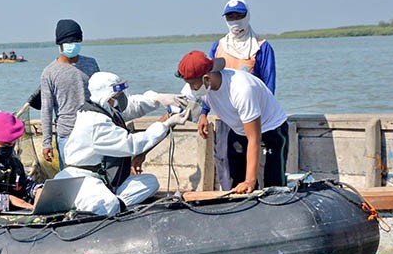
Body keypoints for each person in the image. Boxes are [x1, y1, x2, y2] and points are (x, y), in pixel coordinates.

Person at [54, 72, 188, 216]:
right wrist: (166, 124)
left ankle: (118, 205)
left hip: (102, 177)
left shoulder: (106, 110)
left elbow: (133, 106)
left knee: (150, 182)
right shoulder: (95, 121)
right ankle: (110, 208)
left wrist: (158, 98)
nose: (120, 99)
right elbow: (131, 144)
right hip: (81, 180)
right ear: (107, 96)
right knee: (107, 204)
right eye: (116, 96)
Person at [177, 51, 288, 194]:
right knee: (234, 181)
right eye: (188, 84)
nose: (191, 89)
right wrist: (144, 151)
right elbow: (172, 112)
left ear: (206, 78)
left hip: (271, 127)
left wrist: (250, 181)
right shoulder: (196, 86)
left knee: (274, 184)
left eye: (192, 84)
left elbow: (254, 138)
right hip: (238, 129)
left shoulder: (241, 89)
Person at [202, 0, 276, 190]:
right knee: (227, 166)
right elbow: (206, 80)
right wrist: (203, 113)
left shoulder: (261, 46)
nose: (235, 20)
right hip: (224, 116)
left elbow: (268, 87)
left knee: (257, 165)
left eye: (239, 15)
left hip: (251, 115)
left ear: (247, 15)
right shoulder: (218, 46)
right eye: (230, 16)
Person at [40, 19, 100, 170]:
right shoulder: (49, 72)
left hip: (92, 131)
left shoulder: (91, 64)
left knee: (96, 175)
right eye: (69, 41)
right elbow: (46, 109)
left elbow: (101, 96)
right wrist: (47, 142)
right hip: (67, 134)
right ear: (59, 43)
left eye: (76, 40)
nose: (73, 44)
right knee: (70, 178)